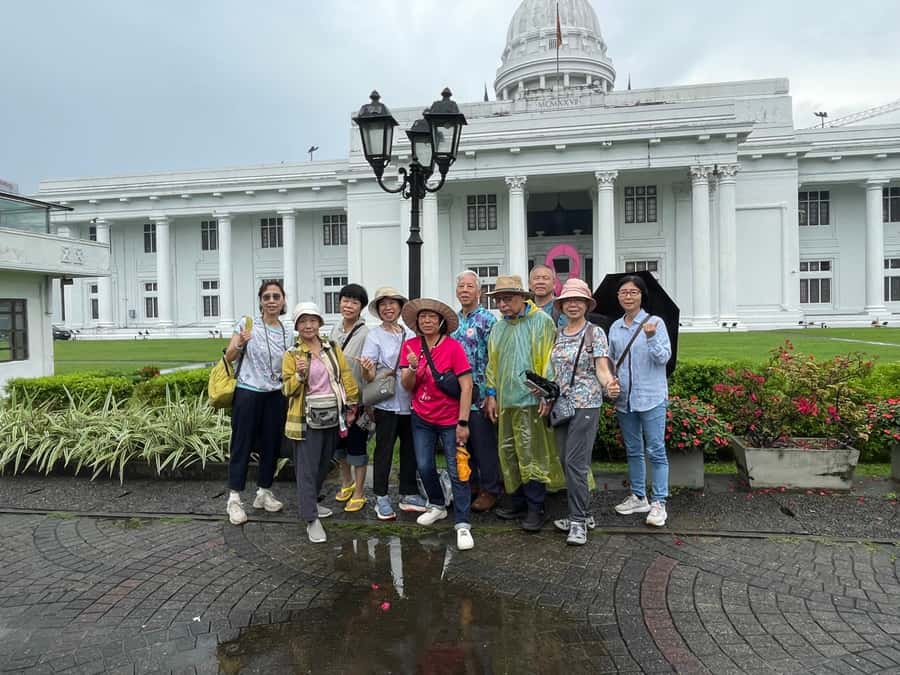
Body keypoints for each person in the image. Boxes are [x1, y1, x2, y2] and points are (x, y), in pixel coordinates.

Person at [540, 278, 619, 545]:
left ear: (586, 304)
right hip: (561, 406)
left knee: (575, 464)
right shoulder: (558, 335)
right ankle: (584, 514)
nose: (573, 305)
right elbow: (554, 371)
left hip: (587, 405)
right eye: (568, 301)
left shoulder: (594, 332)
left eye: (579, 300)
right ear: (561, 306)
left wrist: (609, 384)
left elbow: (602, 366)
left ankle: (577, 522)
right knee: (565, 462)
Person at [484, 275, 564, 531]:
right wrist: (492, 394)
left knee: (532, 454)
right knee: (509, 452)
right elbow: (492, 365)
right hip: (507, 403)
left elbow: (549, 360)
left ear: (522, 298)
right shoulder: (498, 328)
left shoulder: (541, 322)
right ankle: (517, 501)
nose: (503, 304)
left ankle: (536, 507)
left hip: (532, 402)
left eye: (508, 299)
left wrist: (546, 394)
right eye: (499, 300)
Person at [399, 298, 475, 551]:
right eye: (423, 317)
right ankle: (437, 504)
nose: (427, 321)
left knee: (457, 470)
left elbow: (466, 386)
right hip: (421, 417)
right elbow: (407, 386)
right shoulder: (410, 346)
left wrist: (463, 422)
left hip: (451, 418)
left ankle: (463, 523)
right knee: (424, 465)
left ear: (441, 321)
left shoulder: (453, 347)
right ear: (417, 322)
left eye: (432, 317)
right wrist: (411, 367)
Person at [282, 302, 359, 543]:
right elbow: (287, 389)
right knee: (307, 468)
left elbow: (344, 375)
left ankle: (312, 503)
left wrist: (352, 404)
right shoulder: (292, 354)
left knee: (324, 463)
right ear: (296, 326)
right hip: (306, 419)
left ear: (319, 323)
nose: (308, 325)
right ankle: (310, 518)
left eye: (312, 320)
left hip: (332, 415)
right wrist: (299, 375)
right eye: (303, 321)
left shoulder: (331, 347)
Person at [223, 280, 292, 526]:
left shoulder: (288, 331)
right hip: (248, 391)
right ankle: (234, 497)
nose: (271, 301)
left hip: (275, 394)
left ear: (283, 300)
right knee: (241, 443)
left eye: (276, 296)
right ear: (260, 301)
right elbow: (229, 356)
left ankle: (263, 492)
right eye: (267, 297)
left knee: (271, 445)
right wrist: (240, 342)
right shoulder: (247, 324)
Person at [608, 275, 672, 527]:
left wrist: (652, 337)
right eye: (623, 292)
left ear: (642, 295)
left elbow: (663, 358)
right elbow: (612, 362)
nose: (628, 296)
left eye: (633, 292)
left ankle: (659, 502)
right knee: (633, 450)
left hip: (651, 397)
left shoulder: (655, 323)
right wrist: (611, 383)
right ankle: (638, 496)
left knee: (655, 450)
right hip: (625, 399)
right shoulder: (615, 327)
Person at [358, 287, 422, 520]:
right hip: (386, 404)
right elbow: (369, 375)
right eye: (383, 304)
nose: (388, 308)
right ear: (378, 309)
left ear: (399, 307)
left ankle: (408, 492)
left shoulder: (411, 334)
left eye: (392, 303)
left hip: (411, 402)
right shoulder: (374, 336)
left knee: (409, 449)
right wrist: (367, 370)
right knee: (384, 450)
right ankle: (381, 496)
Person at [451, 270, 501, 512]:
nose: (464, 290)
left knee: (484, 444)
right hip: (456, 393)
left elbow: (494, 358)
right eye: (461, 286)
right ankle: (469, 485)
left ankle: (490, 489)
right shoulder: (451, 321)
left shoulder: (488, 320)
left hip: (480, 393)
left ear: (479, 292)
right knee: (462, 443)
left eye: (470, 286)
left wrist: (492, 393)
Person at [329, 283, 370, 513]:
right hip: (336, 399)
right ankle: (346, 483)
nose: (348, 305)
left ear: (361, 307)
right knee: (339, 444)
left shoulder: (365, 333)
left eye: (354, 302)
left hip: (357, 400)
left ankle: (360, 492)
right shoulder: (335, 330)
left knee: (357, 446)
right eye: (345, 300)